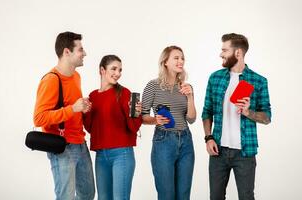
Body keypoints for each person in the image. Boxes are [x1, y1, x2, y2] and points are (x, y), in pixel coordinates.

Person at [202, 33, 271, 200]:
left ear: (238, 53)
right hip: (218, 151)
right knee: (215, 197)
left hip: (245, 153)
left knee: (246, 197)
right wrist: (208, 137)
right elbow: (207, 111)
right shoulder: (215, 78)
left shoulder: (258, 81)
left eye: (225, 50)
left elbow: (267, 117)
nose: (221, 54)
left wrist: (249, 112)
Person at [33, 31, 95, 200]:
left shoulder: (76, 76)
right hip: (62, 148)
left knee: (88, 194)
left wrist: (82, 108)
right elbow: (39, 119)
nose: (85, 53)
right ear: (67, 52)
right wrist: (72, 109)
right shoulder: (51, 80)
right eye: (81, 49)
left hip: (80, 144)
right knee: (66, 197)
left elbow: (71, 109)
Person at [83, 55, 142, 200]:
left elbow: (133, 127)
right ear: (102, 70)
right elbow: (91, 128)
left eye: (120, 70)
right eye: (114, 69)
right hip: (101, 156)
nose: (118, 73)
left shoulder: (124, 93)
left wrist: (136, 114)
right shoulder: (93, 96)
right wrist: (85, 113)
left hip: (122, 154)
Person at [141, 46, 196, 200]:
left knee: (183, 195)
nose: (181, 61)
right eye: (176, 58)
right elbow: (142, 116)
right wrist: (155, 120)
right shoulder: (153, 85)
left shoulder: (185, 87)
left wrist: (190, 97)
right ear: (165, 62)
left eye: (182, 58)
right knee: (166, 195)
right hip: (164, 140)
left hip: (186, 140)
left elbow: (191, 119)